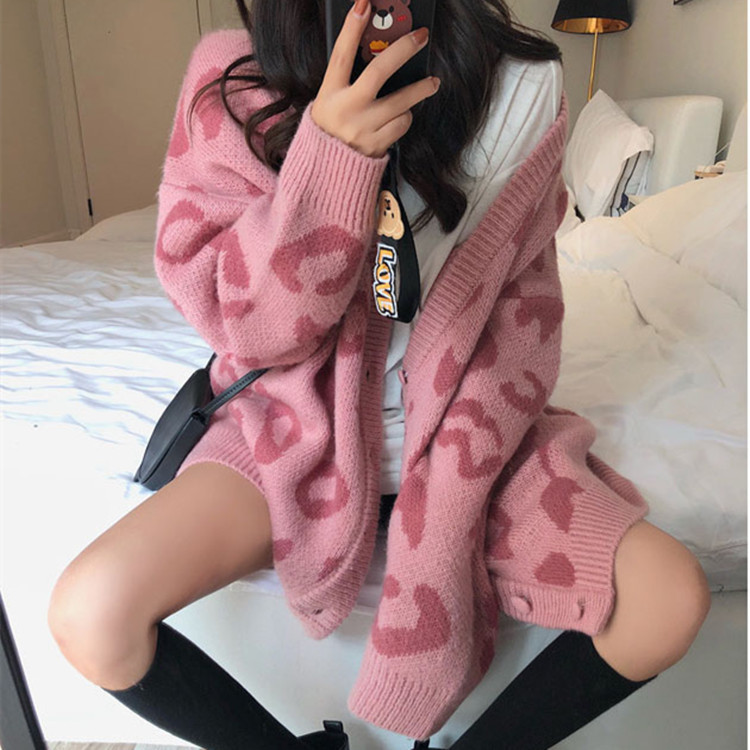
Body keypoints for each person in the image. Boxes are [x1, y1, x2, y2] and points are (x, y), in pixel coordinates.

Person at [47, 1, 713, 749]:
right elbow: (248, 328)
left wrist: (451, 488)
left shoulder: (522, 85)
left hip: (469, 437)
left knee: (668, 598)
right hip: (288, 428)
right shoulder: (232, 81)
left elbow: (523, 318)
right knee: (90, 612)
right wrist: (329, 160)